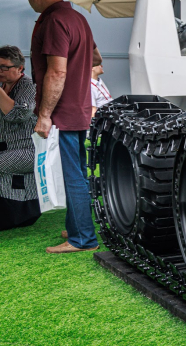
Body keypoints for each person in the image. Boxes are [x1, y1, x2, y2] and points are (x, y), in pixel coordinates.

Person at [30, 0, 100, 253]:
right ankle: (78, 227)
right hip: (78, 109)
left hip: (62, 113)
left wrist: (45, 115)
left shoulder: (55, 19)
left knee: (72, 177)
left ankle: (82, 238)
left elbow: (57, 73)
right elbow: (96, 58)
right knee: (77, 173)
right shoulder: (78, 18)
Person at [0, 45, 40, 231]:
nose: (0, 71)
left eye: (4, 67)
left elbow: (19, 114)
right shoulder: (4, 86)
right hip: (7, 149)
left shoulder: (29, 86)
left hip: (28, 150)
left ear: (20, 68)